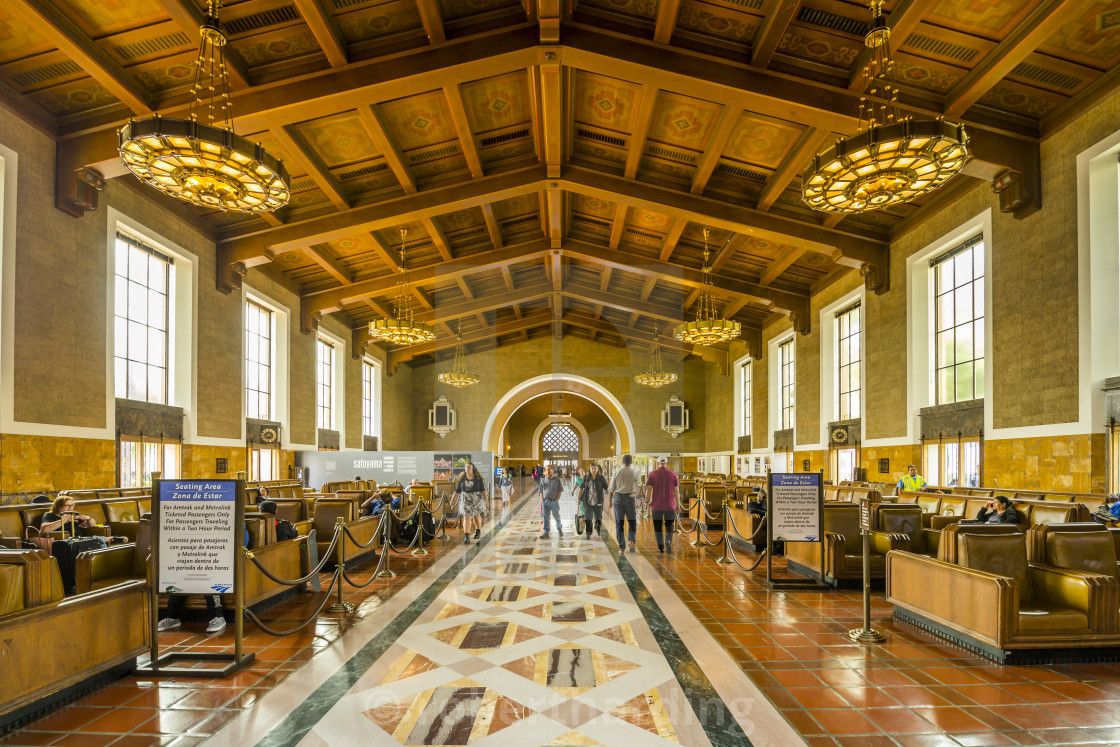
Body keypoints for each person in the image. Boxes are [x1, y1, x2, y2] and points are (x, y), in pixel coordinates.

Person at [645, 457, 680, 554]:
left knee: (657, 526)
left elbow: (648, 489)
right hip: (670, 505)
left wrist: (647, 501)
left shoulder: (652, 474)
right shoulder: (673, 475)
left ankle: (660, 547)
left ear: (657, 463)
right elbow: (676, 491)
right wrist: (677, 505)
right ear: (667, 463)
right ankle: (668, 541)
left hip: (656, 505)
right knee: (669, 525)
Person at [608, 454, 640, 552]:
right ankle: (631, 540)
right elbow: (636, 486)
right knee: (632, 521)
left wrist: (610, 501)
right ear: (631, 462)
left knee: (619, 522)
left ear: (622, 462)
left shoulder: (616, 472)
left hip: (618, 498)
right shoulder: (635, 473)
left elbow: (611, 489)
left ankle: (621, 547)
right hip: (630, 497)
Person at [453, 462, 487, 543]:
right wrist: (453, 499)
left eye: (469, 467)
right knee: (467, 517)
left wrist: (486, 500)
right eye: (466, 467)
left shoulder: (478, 478)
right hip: (465, 500)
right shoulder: (462, 478)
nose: (467, 468)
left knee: (476, 517)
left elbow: (482, 490)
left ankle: (478, 530)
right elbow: (457, 490)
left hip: (476, 499)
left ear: (472, 468)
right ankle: (467, 536)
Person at [578, 464, 608, 539]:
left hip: (598, 501)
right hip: (587, 501)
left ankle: (598, 529)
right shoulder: (586, 477)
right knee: (588, 517)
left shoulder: (601, 478)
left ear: (598, 470)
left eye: (595, 468)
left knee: (598, 517)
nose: (593, 470)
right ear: (589, 469)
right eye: (592, 468)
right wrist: (578, 498)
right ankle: (588, 533)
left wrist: (612, 497)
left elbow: (607, 488)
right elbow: (581, 488)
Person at [537, 465, 564, 539]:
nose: (548, 471)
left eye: (549, 469)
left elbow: (560, 491)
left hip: (554, 502)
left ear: (553, 470)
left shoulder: (557, 480)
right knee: (545, 517)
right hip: (545, 502)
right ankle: (546, 532)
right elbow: (541, 492)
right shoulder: (542, 480)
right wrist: (542, 502)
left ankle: (559, 529)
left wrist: (557, 500)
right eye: (546, 469)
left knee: (556, 516)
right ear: (545, 471)